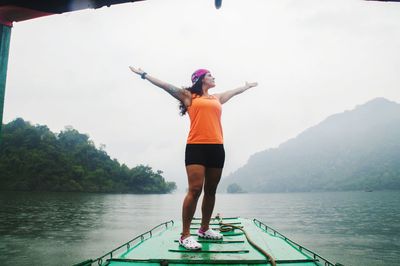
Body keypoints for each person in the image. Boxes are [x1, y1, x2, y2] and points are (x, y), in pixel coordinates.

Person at [129, 66, 257, 250]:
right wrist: (143, 74)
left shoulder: (217, 98)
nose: (213, 77)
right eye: (210, 75)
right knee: (195, 189)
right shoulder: (189, 96)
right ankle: (185, 235)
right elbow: (165, 86)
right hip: (196, 147)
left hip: (217, 148)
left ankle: (204, 229)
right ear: (201, 79)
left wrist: (246, 87)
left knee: (211, 191)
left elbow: (233, 92)